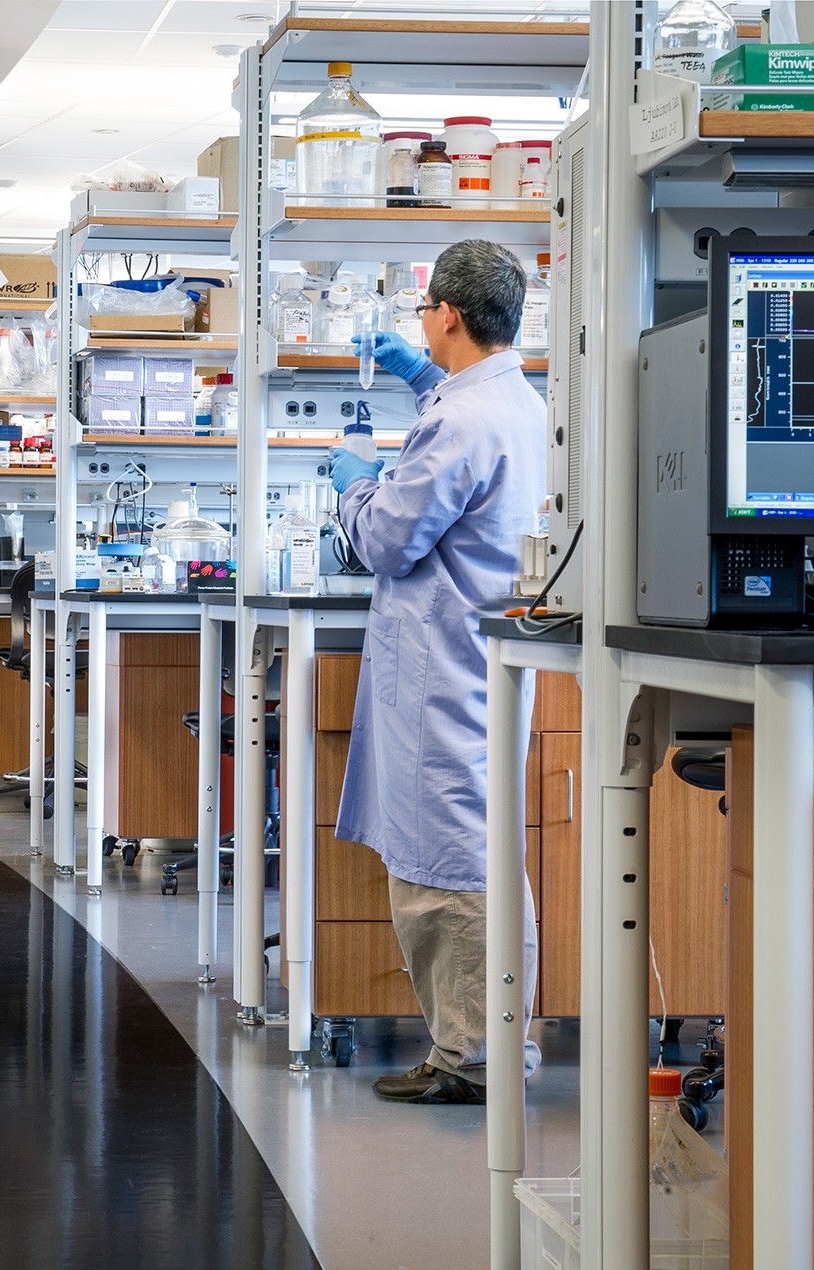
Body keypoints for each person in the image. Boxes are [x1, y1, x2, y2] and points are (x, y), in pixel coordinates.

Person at [329, 239, 548, 1105]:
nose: (423, 324)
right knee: (476, 851)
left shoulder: (462, 422)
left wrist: (352, 486)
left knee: (446, 869)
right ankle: (481, 1044)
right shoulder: (510, 401)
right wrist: (423, 377)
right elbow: (458, 439)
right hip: (474, 663)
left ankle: (473, 1060)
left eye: (426, 314)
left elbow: (386, 539)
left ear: (447, 313)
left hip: (441, 669)